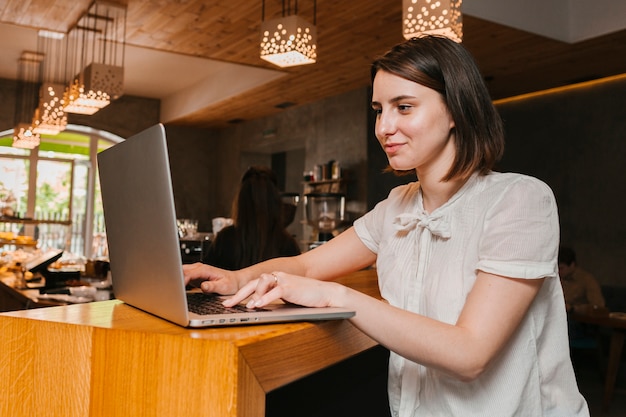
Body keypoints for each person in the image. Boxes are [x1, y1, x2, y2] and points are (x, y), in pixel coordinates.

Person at [184, 36, 589, 416]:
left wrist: (334, 298)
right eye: (379, 110)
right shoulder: (398, 205)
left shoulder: (520, 200)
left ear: (455, 110)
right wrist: (236, 280)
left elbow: (470, 353)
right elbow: (307, 266)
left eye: (404, 107)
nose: (383, 127)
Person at [201, 166, 300, 270]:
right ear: (276, 203)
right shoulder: (287, 244)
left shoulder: (225, 239)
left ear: (241, 202)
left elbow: (207, 278)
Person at [558, 245, 606, 314]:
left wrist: (573, 308)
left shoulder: (586, 280)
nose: (558, 272)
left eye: (561, 268)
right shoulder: (556, 279)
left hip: (577, 319)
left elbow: (598, 306)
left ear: (572, 265)